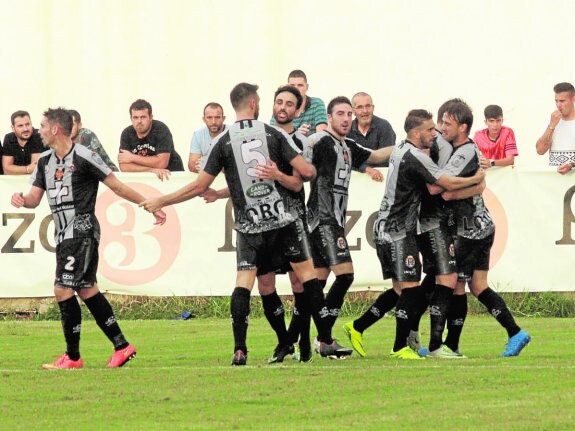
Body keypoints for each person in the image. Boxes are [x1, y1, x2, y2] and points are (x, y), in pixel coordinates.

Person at [141, 83, 352, 366]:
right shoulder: (272, 133)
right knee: (307, 278)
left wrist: (162, 201)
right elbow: (307, 172)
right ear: (253, 103)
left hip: (250, 226)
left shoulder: (223, 140)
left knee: (247, 284)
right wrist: (289, 172)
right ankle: (323, 340)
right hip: (282, 221)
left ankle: (241, 348)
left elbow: (199, 185)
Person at [10, 107, 166, 369]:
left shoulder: (84, 156)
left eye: (43, 126)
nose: (40, 130)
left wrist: (148, 203)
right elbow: (34, 200)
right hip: (63, 234)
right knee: (86, 288)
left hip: (81, 230)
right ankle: (122, 345)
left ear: (56, 129)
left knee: (62, 288)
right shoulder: (45, 162)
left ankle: (72, 357)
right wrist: (22, 200)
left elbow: (116, 185)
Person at [349, 109, 484, 360]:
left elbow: (378, 155)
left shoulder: (402, 148)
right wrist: (476, 179)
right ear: (417, 132)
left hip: (396, 228)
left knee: (403, 291)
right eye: (431, 129)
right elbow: (442, 184)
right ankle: (400, 347)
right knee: (411, 290)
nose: (435, 133)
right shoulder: (414, 156)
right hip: (395, 230)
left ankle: (358, 327)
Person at [433, 99, 531, 357]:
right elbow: (473, 186)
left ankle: (450, 345)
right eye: (441, 121)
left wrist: (453, 193)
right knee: (477, 285)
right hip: (481, 226)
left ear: (463, 127)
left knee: (455, 285)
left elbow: (442, 188)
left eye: (447, 123)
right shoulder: (461, 147)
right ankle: (515, 332)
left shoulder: (465, 151)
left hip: (471, 230)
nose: (442, 127)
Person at [306, 96, 394, 350]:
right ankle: (323, 339)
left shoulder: (347, 145)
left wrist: (405, 145)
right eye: (341, 114)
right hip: (323, 219)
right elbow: (299, 163)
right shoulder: (320, 141)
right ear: (330, 117)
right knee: (345, 276)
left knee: (317, 283)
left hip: (332, 220)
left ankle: (295, 341)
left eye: (349, 115)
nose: (346, 119)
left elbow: (376, 155)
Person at [119, 99, 184, 179]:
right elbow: (124, 167)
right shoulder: (127, 133)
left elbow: (162, 163)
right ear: (131, 118)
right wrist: (150, 170)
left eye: (143, 117)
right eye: (135, 117)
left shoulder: (160, 129)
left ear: (151, 117)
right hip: (144, 179)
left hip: (171, 176)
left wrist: (132, 157)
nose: (139, 121)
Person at [348, 92, 396, 181]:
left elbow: (386, 159)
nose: (365, 111)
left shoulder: (384, 126)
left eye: (368, 106)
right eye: (360, 107)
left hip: (380, 180)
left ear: (373, 108)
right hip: (354, 182)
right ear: (353, 111)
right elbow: (345, 159)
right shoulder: (347, 130)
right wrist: (366, 169)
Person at [270, 69, 327, 136]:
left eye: (300, 85)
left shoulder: (317, 104)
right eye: (292, 85)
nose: (296, 89)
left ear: (307, 87)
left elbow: (322, 135)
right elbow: (273, 135)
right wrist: (296, 135)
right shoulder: (281, 108)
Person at [536, 82, 575, 171]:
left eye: (562, 101)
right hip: (555, 180)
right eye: (556, 101)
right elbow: (540, 151)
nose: (558, 105)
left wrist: (571, 165)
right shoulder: (553, 122)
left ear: (573, 99)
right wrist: (551, 126)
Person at [188, 102, 227, 173]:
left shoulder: (232, 133)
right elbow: (192, 165)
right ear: (204, 119)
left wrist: (208, 164)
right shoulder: (198, 135)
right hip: (207, 179)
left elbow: (236, 165)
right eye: (209, 117)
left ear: (223, 118)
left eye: (217, 117)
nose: (213, 122)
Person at [2, 110, 44, 175]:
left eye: (27, 124)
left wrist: (15, 169)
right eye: (20, 126)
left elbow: (35, 169)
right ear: (13, 128)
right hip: (14, 181)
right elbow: (6, 170)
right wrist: (27, 169)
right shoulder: (9, 138)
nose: (25, 129)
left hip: (34, 182)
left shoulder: (38, 136)